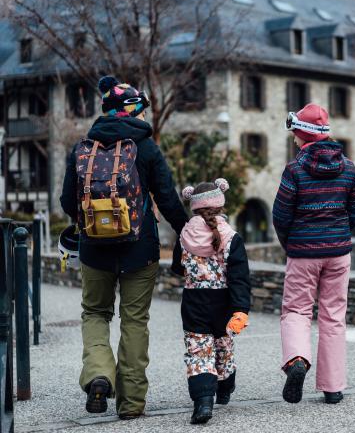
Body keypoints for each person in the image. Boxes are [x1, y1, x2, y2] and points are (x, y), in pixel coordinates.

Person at [60, 76, 188, 419]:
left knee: (96, 313)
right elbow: (168, 198)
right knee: (134, 321)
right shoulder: (145, 147)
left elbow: (67, 202)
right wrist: (185, 231)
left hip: (94, 249)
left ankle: (99, 375)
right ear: (133, 112)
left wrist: (93, 224)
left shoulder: (82, 147)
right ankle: (131, 404)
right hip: (139, 249)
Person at [272, 103, 355, 405]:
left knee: (297, 310)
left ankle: (297, 360)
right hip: (338, 252)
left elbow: (280, 215)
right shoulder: (349, 168)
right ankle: (333, 387)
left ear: (301, 135)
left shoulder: (295, 169)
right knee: (334, 316)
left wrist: (291, 243)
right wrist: (339, 235)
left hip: (303, 252)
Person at [178, 179, 251, 424]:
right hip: (224, 302)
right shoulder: (231, 236)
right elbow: (240, 277)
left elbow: (178, 268)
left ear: (194, 206)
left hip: (193, 301)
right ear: (220, 204)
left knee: (199, 353)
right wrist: (241, 309)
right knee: (224, 349)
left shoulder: (184, 234)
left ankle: (203, 402)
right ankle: (225, 387)